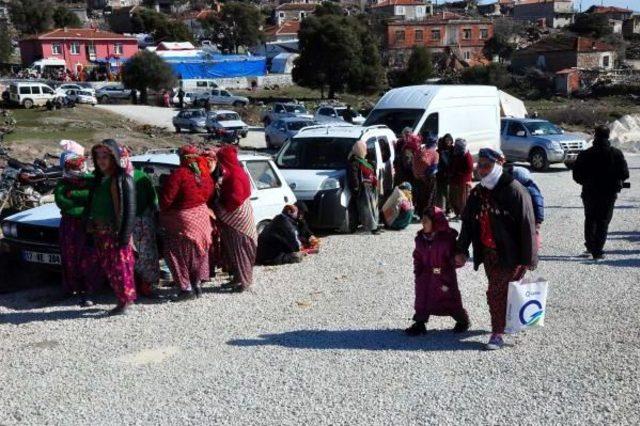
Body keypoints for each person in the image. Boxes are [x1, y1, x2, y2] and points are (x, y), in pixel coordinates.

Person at [455, 148, 538, 350]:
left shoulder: (515, 190)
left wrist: (529, 258)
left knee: (495, 292)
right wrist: (461, 250)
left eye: (487, 165)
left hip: (511, 255)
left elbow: (527, 225)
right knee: (501, 292)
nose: (481, 170)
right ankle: (506, 322)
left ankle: (497, 333)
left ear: (498, 165)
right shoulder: (478, 193)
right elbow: (467, 223)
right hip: (488, 254)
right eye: (479, 165)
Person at [87, 140, 137, 316]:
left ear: (114, 157)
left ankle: (125, 302)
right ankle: (121, 299)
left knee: (121, 268)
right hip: (101, 232)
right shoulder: (100, 179)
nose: (101, 160)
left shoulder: (122, 179)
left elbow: (129, 209)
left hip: (115, 233)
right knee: (110, 268)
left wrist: (124, 235)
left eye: (105, 156)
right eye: (98, 157)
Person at [160, 145, 214, 301]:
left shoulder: (179, 174)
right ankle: (197, 284)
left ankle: (186, 289)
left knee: (176, 253)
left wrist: (163, 209)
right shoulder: (204, 174)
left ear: (183, 158)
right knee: (198, 252)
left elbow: (166, 199)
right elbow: (209, 192)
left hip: (183, 220)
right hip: (202, 216)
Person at [406, 207, 470, 336]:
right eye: (422, 220)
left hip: (444, 277)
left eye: (426, 221)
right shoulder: (420, 239)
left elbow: (454, 256)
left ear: (435, 222)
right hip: (425, 276)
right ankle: (420, 323)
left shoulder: (446, 240)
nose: (422, 223)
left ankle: (462, 320)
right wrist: (418, 271)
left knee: (449, 298)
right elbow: (417, 255)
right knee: (422, 299)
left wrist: (458, 259)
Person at [572, 125, 629, 260]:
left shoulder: (585, 154)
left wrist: (586, 182)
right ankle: (598, 250)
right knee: (603, 220)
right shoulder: (616, 154)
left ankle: (590, 246)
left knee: (590, 218)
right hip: (608, 194)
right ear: (608, 136)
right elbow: (625, 173)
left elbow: (576, 175)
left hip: (589, 192)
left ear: (595, 136)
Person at [54, 152, 98, 307]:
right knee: (69, 256)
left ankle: (88, 291)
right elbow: (62, 202)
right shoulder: (62, 183)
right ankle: (72, 287)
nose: (77, 169)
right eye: (73, 166)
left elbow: (92, 197)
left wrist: (73, 194)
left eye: (78, 165)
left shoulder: (91, 181)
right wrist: (81, 203)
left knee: (87, 257)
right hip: (70, 225)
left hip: (87, 225)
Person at [213, 145, 257, 292]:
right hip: (239, 215)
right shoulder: (237, 172)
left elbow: (236, 199)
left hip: (237, 218)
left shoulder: (235, 175)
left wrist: (221, 203)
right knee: (235, 249)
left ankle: (245, 282)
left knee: (240, 249)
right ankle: (238, 278)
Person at [132, 167, 160, 297]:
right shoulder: (142, 176)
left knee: (135, 254)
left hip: (130, 222)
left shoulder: (115, 177)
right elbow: (153, 199)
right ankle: (147, 284)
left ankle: (136, 285)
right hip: (143, 220)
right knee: (146, 254)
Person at [347, 140, 380, 234]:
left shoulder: (363, 160)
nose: (366, 150)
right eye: (364, 148)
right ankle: (372, 227)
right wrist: (356, 189)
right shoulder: (354, 161)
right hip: (363, 189)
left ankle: (375, 225)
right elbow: (353, 177)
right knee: (367, 209)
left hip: (369, 188)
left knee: (373, 207)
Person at [510, 166, 544, 248]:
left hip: (531, 219)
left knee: (531, 236)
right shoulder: (520, 189)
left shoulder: (531, 189)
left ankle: (532, 249)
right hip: (522, 218)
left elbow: (538, 204)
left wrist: (538, 220)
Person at [412, 136, 439, 215]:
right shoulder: (435, 154)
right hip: (429, 178)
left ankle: (420, 213)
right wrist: (426, 175)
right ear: (434, 143)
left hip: (417, 177)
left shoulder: (419, 152)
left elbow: (413, 165)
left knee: (421, 196)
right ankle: (428, 214)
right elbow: (433, 168)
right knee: (430, 196)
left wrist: (417, 174)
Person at [449, 138, 474, 219]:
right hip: (454, 180)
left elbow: (469, 169)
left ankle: (462, 215)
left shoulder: (467, 155)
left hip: (463, 181)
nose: (455, 147)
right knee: (453, 198)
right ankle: (457, 213)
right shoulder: (456, 153)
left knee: (462, 199)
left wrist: (458, 173)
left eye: (457, 146)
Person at [435, 134, 454, 213]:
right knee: (440, 193)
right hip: (440, 174)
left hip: (448, 175)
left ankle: (449, 209)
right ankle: (441, 209)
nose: (448, 142)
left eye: (449, 140)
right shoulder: (440, 151)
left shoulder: (453, 150)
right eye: (446, 140)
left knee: (448, 193)